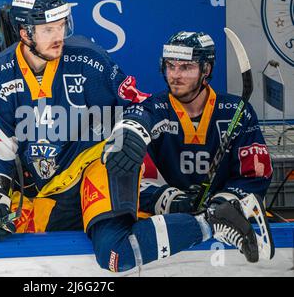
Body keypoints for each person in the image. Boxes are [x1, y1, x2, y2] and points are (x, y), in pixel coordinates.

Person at [0, 0, 273, 273]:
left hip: (97, 166)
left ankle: (214, 221)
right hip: (52, 189)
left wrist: (131, 131)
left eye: (62, 25)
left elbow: (141, 104)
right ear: (24, 33)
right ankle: (208, 219)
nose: (59, 35)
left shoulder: (88, 59)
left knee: (115, 255)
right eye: (48, 29)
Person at [99, 31, 274, 271]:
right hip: (170, 222)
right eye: (170, 66)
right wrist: (172, 200)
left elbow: (256, 175)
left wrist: (224, 202)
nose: (175, 75)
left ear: (206, 70)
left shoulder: (236, 111)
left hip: (228, 221)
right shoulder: (154, 109)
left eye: (186, 67)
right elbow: (136, 127)